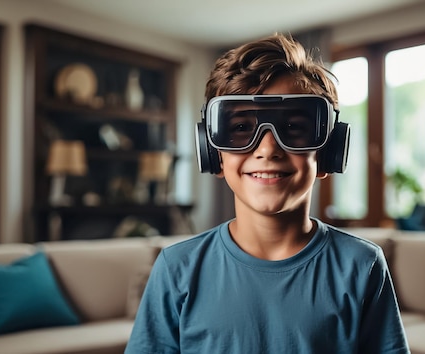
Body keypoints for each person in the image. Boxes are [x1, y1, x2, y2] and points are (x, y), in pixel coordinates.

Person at [125, 33, 410, 354]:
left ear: (329, 152)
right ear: (213, 152)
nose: (268, 148)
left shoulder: (362, 265)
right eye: (242, 128)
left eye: (294, 128)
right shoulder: (177, 268)